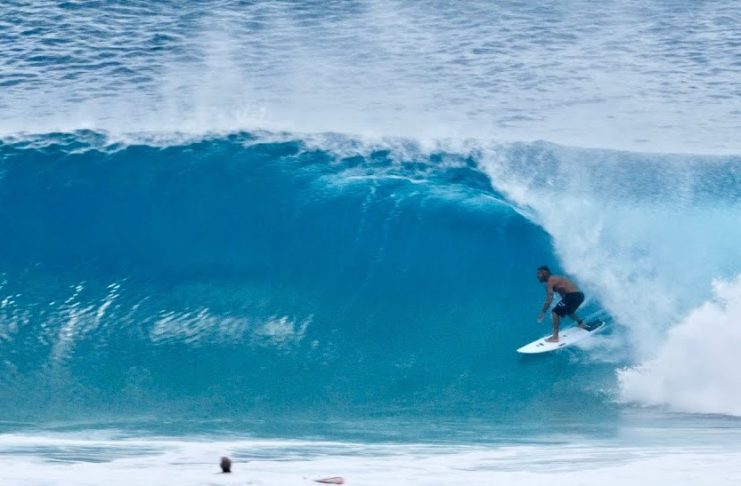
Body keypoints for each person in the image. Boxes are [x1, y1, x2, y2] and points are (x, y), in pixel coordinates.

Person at [536, 265, 586, 342]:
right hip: (579, 296)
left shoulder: (550, 281)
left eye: (539, 274)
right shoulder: (555, 280)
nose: (537, 276)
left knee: (555, 312)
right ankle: (581, 323)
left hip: (573, 295)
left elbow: (549, 298)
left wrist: (543, 312)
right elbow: (563, 294)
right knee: (569, 311)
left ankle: (555, 337)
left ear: (544, 273)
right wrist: (564, 306)